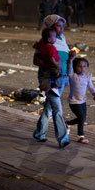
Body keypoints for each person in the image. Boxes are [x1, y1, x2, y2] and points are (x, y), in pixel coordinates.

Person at [33, 14, 76, 149]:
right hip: (50, 80)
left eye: (63, 26)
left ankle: (39, 133)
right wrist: (51, 64)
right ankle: (63, 139)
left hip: (61, 79)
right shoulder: (45, 44)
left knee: (49, 108)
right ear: (50, 28)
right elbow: (36, 61)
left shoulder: (61, 39)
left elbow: (64, 59)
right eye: (58, 26)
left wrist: (71, 58)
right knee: (57, 109)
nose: (62, 29)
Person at [66, 58, 95, 144]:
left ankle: (67, 123)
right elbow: (69, 68)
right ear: (74, 67)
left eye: (84, 66)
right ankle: (81, 136)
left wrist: (94, 93)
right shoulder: (72, 76)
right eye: (79, 66)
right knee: (81, 118)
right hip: (74, 102)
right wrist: (71, 59)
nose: (82, 68)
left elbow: (91, 86)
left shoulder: (87, 77)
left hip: (82, 102)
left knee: (82, 118)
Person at [33, 27, 62, 92]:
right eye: (54, 37)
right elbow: (51, 58)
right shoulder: (51, 47)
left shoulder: (42, 45)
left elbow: (36, 46)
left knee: (45, 77)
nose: (56, 38)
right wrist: (56, 64)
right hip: (53, 66)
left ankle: (44, 87)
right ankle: (56, 85)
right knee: (57, 76)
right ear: (49, 39)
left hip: (46, 67)